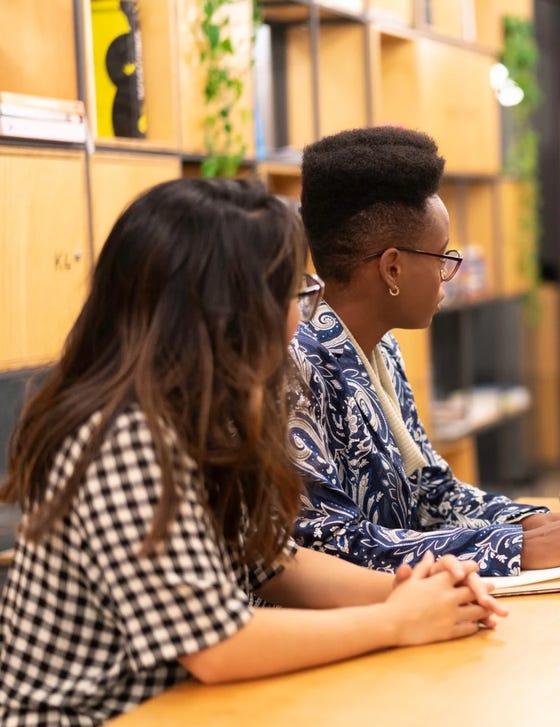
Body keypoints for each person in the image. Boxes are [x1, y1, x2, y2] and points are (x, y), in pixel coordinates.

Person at [0, 178, 505, 725]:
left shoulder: (198, 414)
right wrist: (394, 622)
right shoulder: (123, 435)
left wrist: (412, 592)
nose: (300, 319)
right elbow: (216, 646)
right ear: (228, 311)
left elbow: (269, 562)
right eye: (294, 294)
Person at [290, 126, 560, 577]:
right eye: (441, 257)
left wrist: (534, 521)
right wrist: (515, 546)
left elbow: (431, 491)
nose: (448, 273)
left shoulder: (382, 349)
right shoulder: (293, 363)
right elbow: (330, 544)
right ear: (392, 267)